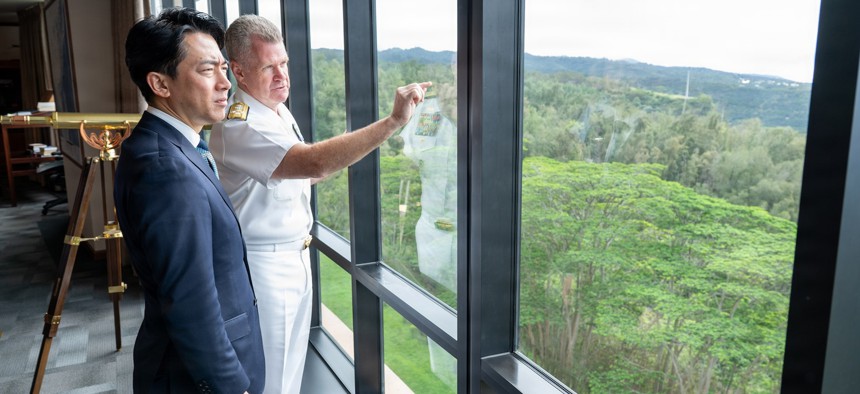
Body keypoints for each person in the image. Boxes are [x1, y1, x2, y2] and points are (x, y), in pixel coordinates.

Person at [210, 14, 430, 393]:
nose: (282, 76)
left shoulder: (276, 111)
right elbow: (313, 161)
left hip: (295, 258)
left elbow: (308, 172)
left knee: (292, 370)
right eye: (268, 67)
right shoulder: (239, 125)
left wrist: (342, 150)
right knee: (270, 380)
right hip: (264, 267)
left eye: (284, 64)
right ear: (239, 73)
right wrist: (393, 121)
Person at [115, 7, 264, 393]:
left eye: (223, 68)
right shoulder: (165, 168)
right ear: (160, 84)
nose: (225, 83)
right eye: (206, 70)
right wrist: (233, 387)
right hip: (193, 377)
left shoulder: (178, 146)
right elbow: (190, 302)